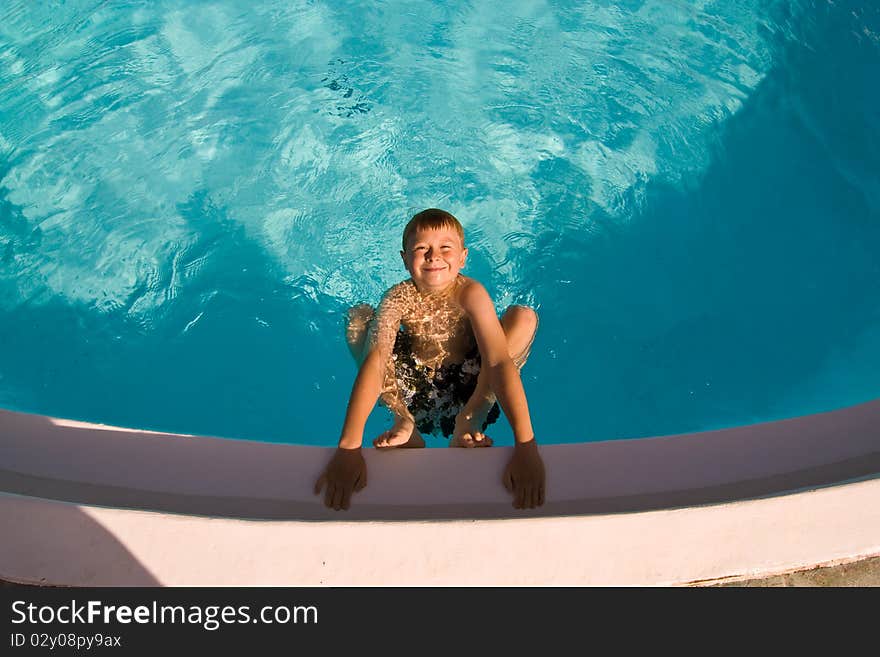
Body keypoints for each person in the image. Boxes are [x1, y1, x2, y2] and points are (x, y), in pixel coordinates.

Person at [314, 208, 545, 510]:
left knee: (523, 318)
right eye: (422, 248)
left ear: (463, 257)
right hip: (413, 386)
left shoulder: (471, 293)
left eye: (445, 248)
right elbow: (377, 361)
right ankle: (405, 422)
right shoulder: (398, 298)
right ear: (404, 258)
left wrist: (526, 446)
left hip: (471, 384)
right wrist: (348, 447)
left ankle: (470, 419)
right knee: (358, 319)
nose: (434, 257)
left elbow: (499, 362)